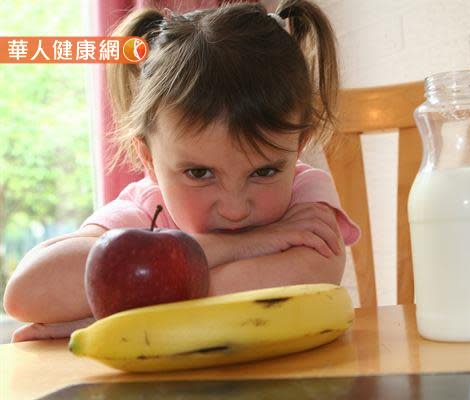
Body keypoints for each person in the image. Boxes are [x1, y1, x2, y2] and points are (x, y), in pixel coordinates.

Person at [3, 0, 360, 342]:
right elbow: (27, 293)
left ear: (298, 147)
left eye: (264, 172)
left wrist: (118, 308)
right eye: (200, 173)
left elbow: (314, 275)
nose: (234, 209)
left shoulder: (304, 193)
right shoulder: (145, 211)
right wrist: (246, 245)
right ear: (148, 160)